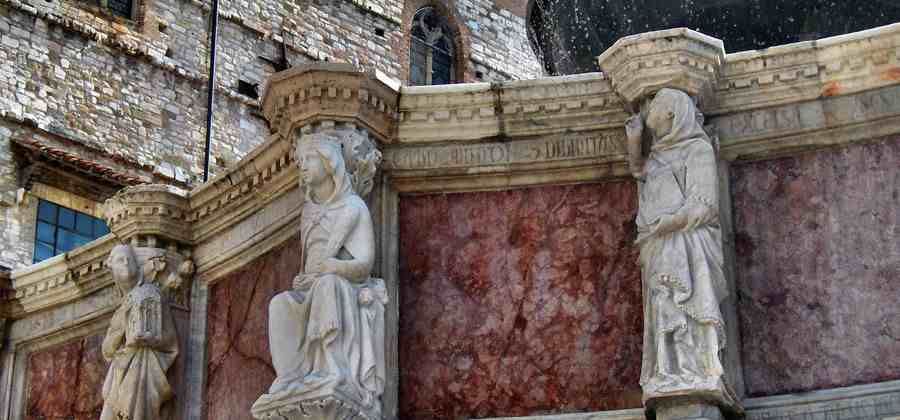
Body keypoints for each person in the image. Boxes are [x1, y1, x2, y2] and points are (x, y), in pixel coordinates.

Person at [262, 136, 386, 412]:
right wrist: (304, 278)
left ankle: (333, 368)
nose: (303, 166)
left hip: (344, 287)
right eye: (300, 161)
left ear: (330, 163)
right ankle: (291, 377)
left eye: (310, 159)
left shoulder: (353, 207)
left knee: (327, 285)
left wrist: (332, 267)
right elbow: (309, 264)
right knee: (280, 303)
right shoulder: (309, 211)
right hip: (312, 289)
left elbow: (364, 264)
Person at [625, 88, 727, 390]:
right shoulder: (659, 153)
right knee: (664, 303)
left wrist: (666, 224)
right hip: (661, 242)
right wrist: (634, 140)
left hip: (688, 242)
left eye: (654, 107)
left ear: (672, 113)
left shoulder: (698, 150)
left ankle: (699, 370)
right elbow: (640, 171)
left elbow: (704, 206)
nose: (649, 114)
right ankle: (668, 369)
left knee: (690, 301)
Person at [101, 244, 178, 420]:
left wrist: (151, 340)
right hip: (120, 371)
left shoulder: (152, 293)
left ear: (138, 267)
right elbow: (107, 349)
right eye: (120, 260)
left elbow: (171, 341)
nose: (126, 263)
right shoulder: (121, 310)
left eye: (129, 259)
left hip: (146, 367)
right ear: (112, 267)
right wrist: (124, 329)